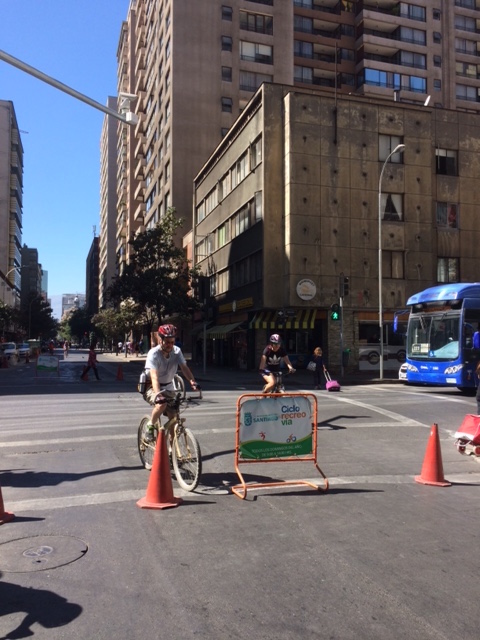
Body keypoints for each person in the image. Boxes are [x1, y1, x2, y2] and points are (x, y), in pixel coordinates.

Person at [143, 324, 198, 441]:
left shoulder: (177, 351)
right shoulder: (153, 354)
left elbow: (184, 368)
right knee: (161, 404)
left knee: (173, 417)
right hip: (151, 386)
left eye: (172, 342)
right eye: (167, 342)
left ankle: (172, 450)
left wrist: (193, 382)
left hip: (168, 386)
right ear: (160, 339)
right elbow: (154, 377)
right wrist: (158, 395)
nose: (170, 345)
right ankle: (150, 426)